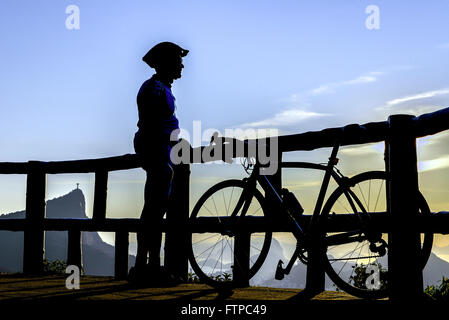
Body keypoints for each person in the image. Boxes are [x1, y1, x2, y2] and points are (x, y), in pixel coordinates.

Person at [131, 41, 188, 284]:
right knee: (155, 210)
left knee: (154, 209)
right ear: (166, 63)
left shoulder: (159, 88)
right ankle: (149, 267)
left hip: (160, 151)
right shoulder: (155, 89)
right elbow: (153, 124)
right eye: (178, 60)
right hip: (158, 153)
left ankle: (146, 266)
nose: (182, 65)